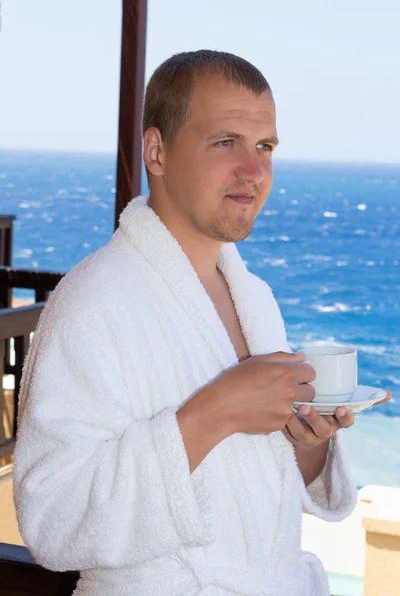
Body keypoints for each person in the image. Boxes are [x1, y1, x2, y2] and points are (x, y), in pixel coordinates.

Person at [13, 50, 391, 596]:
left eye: (264, 147)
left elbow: (257, 488)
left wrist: (307, 443)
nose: (254, 171)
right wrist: (214, 413)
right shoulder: (92, 302)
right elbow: (54, 521)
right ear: (157, 152)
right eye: (225, 142)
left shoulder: (254, 296)